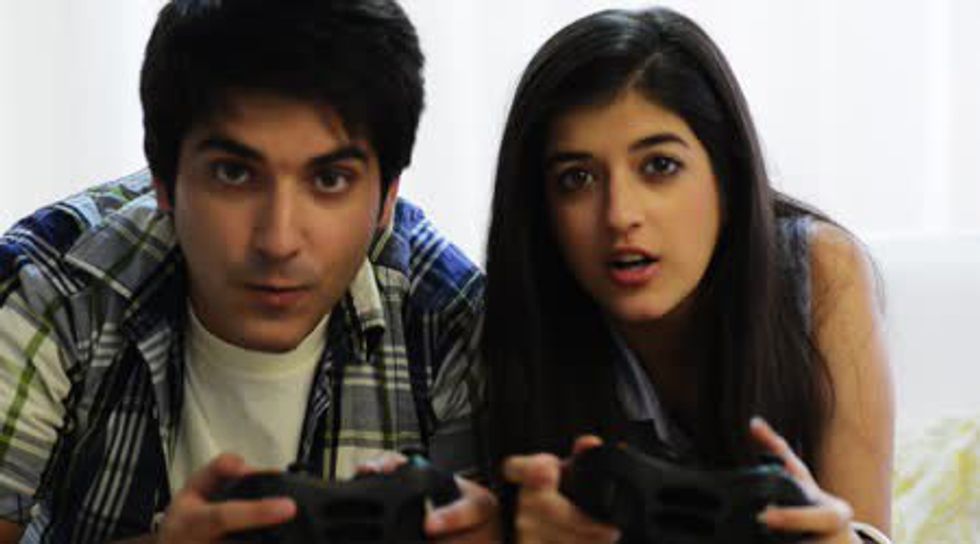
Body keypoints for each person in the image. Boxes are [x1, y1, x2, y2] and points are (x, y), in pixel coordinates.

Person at [0, 1, 498, 542]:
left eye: (329, 180)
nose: (278, 241)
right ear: (163, 179)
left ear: (388, 197)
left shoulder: (447, 316)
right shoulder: (54, 284)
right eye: (234, 174)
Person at [483, 7, 893, 544]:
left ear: (726, 173)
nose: (620, 215)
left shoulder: (819, 273)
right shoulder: (515, 320)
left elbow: (867, 526)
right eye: (577, 178)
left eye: (659, 166)